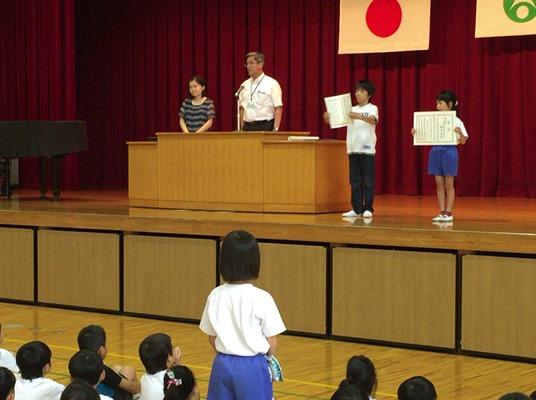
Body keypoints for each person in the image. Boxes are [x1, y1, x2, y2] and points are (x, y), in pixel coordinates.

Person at [199, 229, 286, 400]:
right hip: (252, 367)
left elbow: (211, 337)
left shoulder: (215, 295)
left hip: (222, 364)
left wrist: (227, 353)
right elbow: (272, 341)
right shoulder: (262, 297)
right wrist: (268, 361)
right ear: (254, 262)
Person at [324, 80, 378, 219]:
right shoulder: (350, 109)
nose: (358, 93)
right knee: (355, 181)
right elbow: (335, 121)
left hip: (367, 149)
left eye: (362, 91)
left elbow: (373, 120)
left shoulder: (372, 108)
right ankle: (356, 208)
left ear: (369, 94)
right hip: (353, 148)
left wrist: (358, 116)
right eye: (357, 91)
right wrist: (328, 117)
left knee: (368, 181)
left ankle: (368, 208)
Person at [412, 90, 468, 222]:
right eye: (437, 103)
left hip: (449, 152)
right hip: (436, 152)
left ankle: (449, 212)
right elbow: (425, 134)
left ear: (450, 104)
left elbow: (463, 141)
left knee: (449, 184)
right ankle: (442, 211)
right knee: (439, 184)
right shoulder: (433, 120)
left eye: (440, 103)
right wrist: (416, 132)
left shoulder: (457, 121)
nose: (437, 106)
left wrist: (459, 132)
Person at [77, 325, 140, 400]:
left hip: (84, 394)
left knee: (117, 368)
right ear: (101, 350)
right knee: (129, 371)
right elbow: (132, 387)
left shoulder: (77, 363)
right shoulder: (103, 370)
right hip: (107, 396)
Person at [238, 52, 283, 132]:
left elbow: (278, 108)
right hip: (247, 127)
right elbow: (242, 109)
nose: (248, 66)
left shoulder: (272, 83)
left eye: (251, 63)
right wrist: (242, 129)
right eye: (247, 64)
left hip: (265, 126)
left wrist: (275, 130)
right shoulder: (244, 85)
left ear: (260, 64)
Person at [139, 333, 181, 400]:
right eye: (173, 348)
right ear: (169, 357)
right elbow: (186, 388)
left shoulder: (143, 378)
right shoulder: (170, 384)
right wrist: (178, 363)